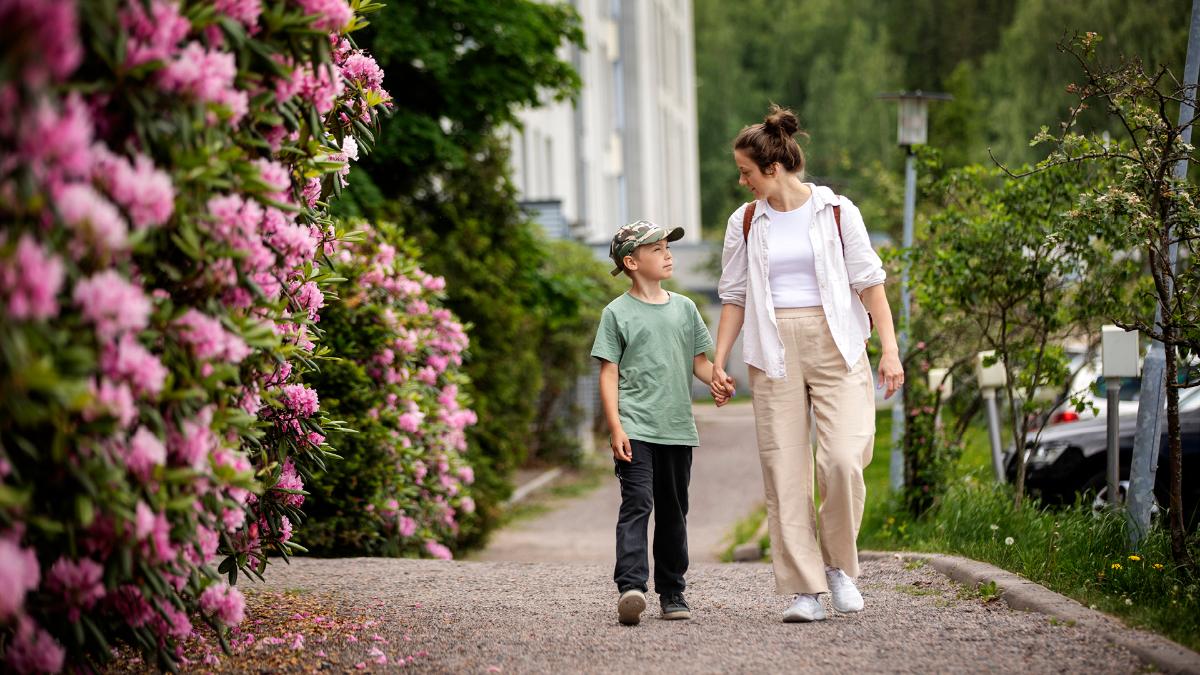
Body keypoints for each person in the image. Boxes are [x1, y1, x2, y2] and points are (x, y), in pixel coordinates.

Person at [710, 105, 904, 623]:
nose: (742, 180)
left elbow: (870, 284)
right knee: (784, 471)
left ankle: (839, 566)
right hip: (772, 350)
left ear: (773, 168)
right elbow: (733, 296)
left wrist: (889, 348)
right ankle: (804, 589)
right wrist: (719, 362)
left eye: (746, 172)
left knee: (842, 460)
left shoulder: (837, 211)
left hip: (836, 342)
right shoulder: (745, 220)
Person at [591, 219, 732, 626]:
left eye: (668, 248)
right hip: (635, 427)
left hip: (676, 428)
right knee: (637, 504)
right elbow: (608, 374)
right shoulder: (616, 313)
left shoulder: (685, 308)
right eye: (658, 250)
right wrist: (615, 426)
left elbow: (700, 364)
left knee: (674, 510)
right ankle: (631, 587)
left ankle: (672, 591)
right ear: (632, 261)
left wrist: (717, 380)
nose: (668, 255)